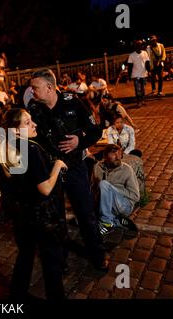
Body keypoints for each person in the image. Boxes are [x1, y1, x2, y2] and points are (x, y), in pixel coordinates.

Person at [28, 68, 109, 271]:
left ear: (49, 87)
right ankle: (60, 259)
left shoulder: (72, 102)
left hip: (74, 167)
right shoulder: (34, 109)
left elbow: (95, 130)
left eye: (35, 87)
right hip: (51, 172)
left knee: (85, 212)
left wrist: (79, 141)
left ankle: (97, 254)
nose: (32, 91)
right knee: (56, 218)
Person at [0, 108, 68, 300]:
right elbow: (45, 188)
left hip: (21, 216)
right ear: (16, 130)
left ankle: (17, 295)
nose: (34, 124)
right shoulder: (31, 149)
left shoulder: (3, 150)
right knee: (51, 261)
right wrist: (57, 165)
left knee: (25, 256)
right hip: (41, 216)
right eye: (27, 122)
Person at [92, 144, 139, 236]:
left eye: (119, 154)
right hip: (106, 204)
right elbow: (93, 187)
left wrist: (112, 190)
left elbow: (135, 196)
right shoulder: (98, 167)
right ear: (105, 156)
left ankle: (106, 223)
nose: (117, 157)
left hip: (125, 205)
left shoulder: (127, 169)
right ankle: (117, 221)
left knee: (104, 184)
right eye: (113, 154)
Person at [128, 40, 150, 107]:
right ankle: (139, 102)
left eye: (140, 45)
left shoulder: (145, 53)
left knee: (143, 89)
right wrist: (129, 76)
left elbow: (147, 63)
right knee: (137, 89)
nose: (139, 46)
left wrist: (149, 72)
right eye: (137, 45)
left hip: (143, 74)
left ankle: (142, 100)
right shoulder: (132, 55)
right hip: (135, 75)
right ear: (135, 46)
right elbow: (130, 66)